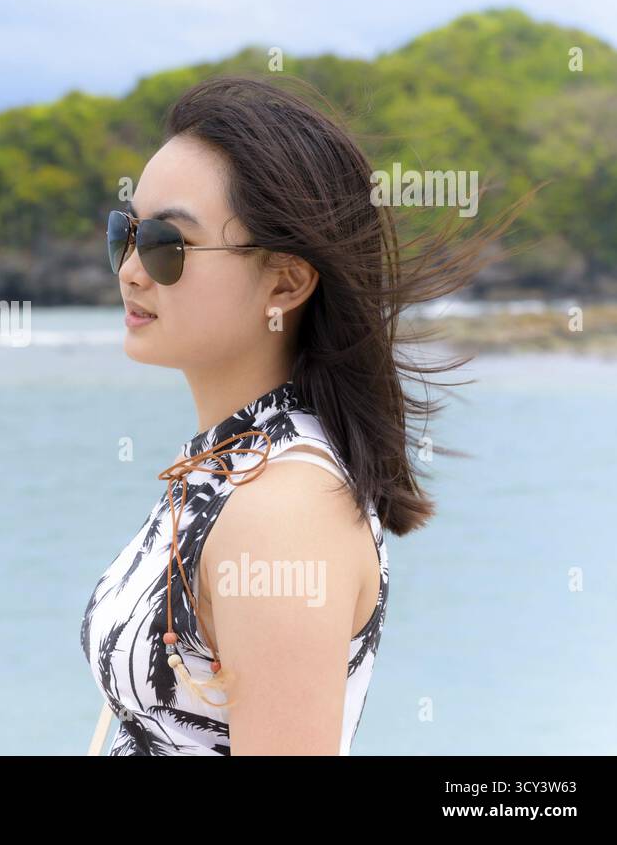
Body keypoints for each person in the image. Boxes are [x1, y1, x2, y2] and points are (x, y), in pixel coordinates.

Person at [80, 74, 526, 755]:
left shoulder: (280, 516)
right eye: (127, 232)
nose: (131, 270)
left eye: (168, 245)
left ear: (285, 281)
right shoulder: (233, 463)